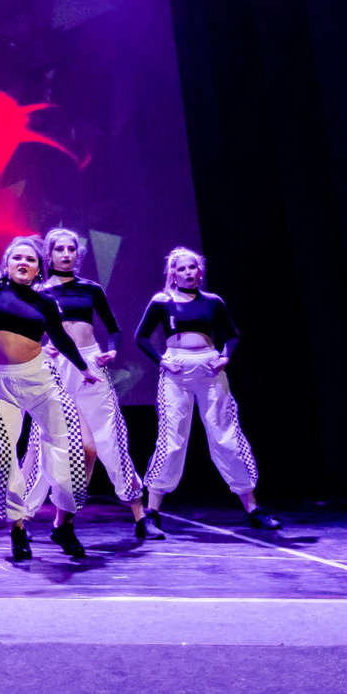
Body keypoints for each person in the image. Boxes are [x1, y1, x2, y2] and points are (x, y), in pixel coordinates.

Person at [0, 235, 92, 561]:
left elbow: (61, 339)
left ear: (39, 269)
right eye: (17, 258)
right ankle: (18, 527)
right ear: (7, 263)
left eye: (30, 259)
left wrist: (83, 367)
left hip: (41, 379)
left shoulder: (44, 302)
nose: (23, 262)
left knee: (76, 449)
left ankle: (64, 524)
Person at [135, 246, 281, 530]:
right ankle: (152, 513)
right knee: (171, 440)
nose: (188, 272)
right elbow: (141, 337)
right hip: (177, 372)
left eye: (193, 267)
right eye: (182, 268)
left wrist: (224, 358)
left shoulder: (213, 302)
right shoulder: (162, 301)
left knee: (227, 437)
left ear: (200, 271)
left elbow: (232, 336)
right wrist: (162, 361)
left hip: (210, 371)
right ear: (173, 274)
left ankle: (253, 508)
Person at [38, 228, 156, 540]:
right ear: (48, 255)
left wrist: (112, 351)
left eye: (71, 249)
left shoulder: (90, 288)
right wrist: (41, 348)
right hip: (56, 367)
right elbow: (28, 333)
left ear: (78, 254)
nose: (66, 254)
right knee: (48, 441)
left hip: (90, 363)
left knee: (111, 436)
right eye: (59, 249)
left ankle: (140, 515)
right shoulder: (39, 292)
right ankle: (32, 518)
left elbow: (114, 328)